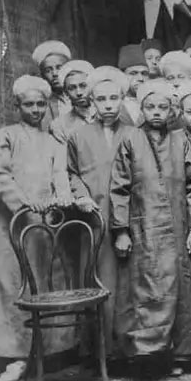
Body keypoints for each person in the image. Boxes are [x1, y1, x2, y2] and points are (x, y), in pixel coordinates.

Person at [109, 79, 191, 378]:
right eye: (150, 107)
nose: (156, 112)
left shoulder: (182, 141)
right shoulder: (130, 139)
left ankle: (181, 353)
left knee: (180, 288)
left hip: (178, 229)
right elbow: (119, 188)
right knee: (145, 291)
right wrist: (121, 231)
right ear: (141, 108)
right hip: (143, 229)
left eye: (162, 107)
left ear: (172, 110)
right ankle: (147, 357)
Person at [0, 75, 76, 381]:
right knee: (15, 284)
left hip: (47, 223)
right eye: (29, 104)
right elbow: (0, 175)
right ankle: (16, 356)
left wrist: (61, 198)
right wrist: (23, 204)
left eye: (40, 104)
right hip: (17, 223)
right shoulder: (7, 135)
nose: (35, 110)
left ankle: (50, 352)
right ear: (18, 106)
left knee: (47, 283)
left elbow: (60, 174)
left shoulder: (54, 140)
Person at [67, 67, 135, 359]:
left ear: (122, 99)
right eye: (101, 99)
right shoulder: (78, 135)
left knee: (129, 283)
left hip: (130, 216)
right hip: (95, 219)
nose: (108, 105)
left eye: (113, 98)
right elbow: (71, 172)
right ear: (92, 101)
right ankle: (100, 353)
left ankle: (129, 352)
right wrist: (81, 195)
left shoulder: (134, 133)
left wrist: (127, 226)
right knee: (99, 279)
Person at [49, 60, 97, 143]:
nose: (79, 93)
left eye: (83, 86)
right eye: (72, 88)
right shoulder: (59, 125)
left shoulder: (108, 115)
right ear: (66, 93)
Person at [31, 39, 72, 131]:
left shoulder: (85, 97)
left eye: (59, 67)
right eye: (48, 70)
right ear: (43, 75)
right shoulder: (43, 106)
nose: (55, 74)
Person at [118, 44, 149, 126]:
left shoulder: (155, 103)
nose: (140, 78)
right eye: (133, 73)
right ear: (122, 75)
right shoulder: (114, 104)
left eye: (144, 73)